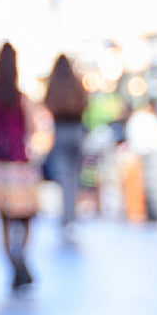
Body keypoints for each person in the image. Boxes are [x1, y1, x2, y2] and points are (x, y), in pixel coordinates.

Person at [0, 43, 38, 289]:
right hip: (19, 164)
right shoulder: (21, 97)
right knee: (26, 217)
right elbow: (32, 128)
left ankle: (13, 264)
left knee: (3, 220)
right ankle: (20, 257)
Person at [44, 54, 89, 240]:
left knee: (64, 177)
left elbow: (48, 104)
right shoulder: (76, 84)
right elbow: (85, 104)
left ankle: (67, 218)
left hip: (62, 131)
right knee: (73, 177)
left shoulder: (54, 86)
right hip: (76, 131)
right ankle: (71, 218)